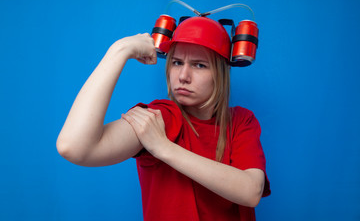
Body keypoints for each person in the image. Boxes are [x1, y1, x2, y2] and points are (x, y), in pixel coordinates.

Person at [57, 16, 271, 221]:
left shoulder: (241, 121)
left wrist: (163, 147)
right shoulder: (161, 117)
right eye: (177, 62)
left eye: (199, 65)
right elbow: (73, 147)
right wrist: (119, 50)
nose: (183, 76)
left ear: (221, 74)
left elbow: (250, 191)